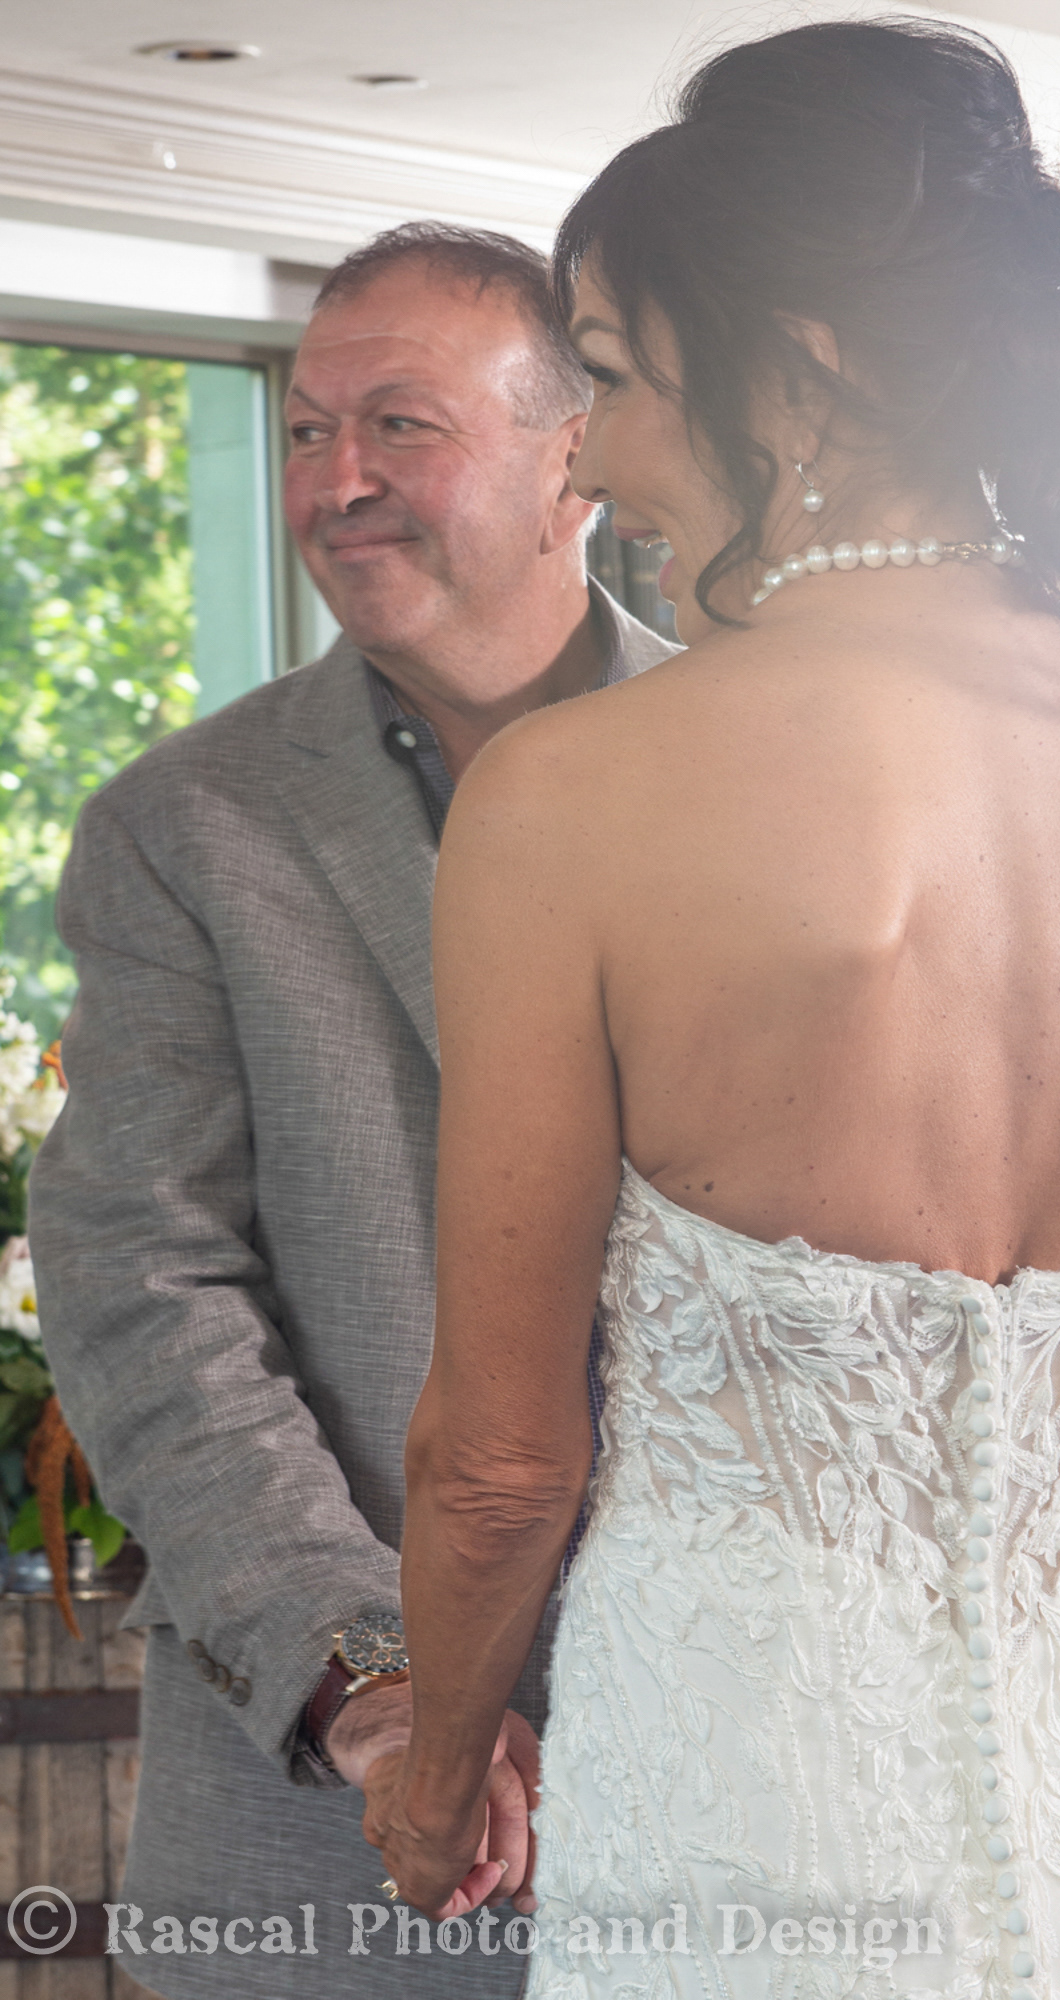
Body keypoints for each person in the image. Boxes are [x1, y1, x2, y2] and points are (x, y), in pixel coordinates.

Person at [366, 22, 1060, 1997]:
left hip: (742, 1796)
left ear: (794, 369)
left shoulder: (568, 801)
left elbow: (496, 1463)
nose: (594, 460)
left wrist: (437, 1766)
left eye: (613, 380)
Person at [27, 221, 676, 2000]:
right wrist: (378, 1687)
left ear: (576, 458)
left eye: (403, 426)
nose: (337, 483)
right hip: (318, 1830)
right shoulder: (181, 827)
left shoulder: (761, 771)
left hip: (733, 1771)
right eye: (308, 431)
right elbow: (141, 1289)